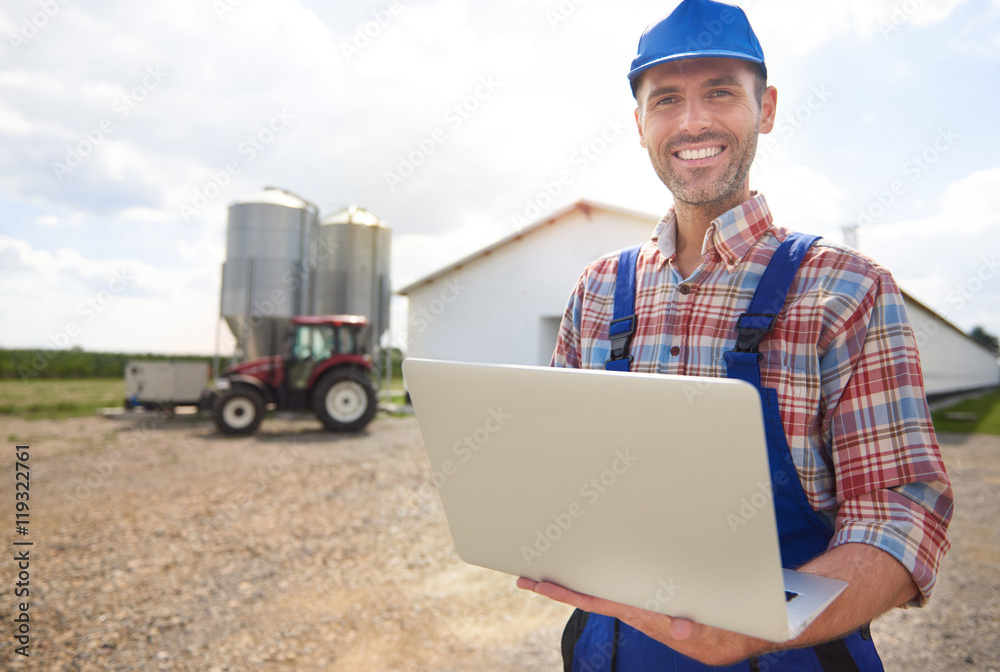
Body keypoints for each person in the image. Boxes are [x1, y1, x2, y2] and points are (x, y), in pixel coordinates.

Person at [515, 1, 954, 670]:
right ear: (639, 125)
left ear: (767, 108)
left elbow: (901, 520)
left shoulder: (846, 291)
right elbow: (565, 483)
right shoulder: (598, 291)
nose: (692, 122)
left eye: (720, 92)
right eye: (666, 100)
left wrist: (762, 627)